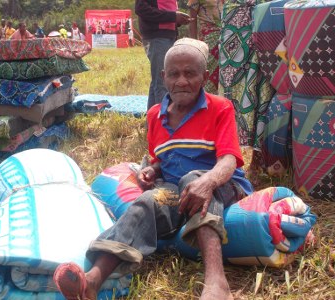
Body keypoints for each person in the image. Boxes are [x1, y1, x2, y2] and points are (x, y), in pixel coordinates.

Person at [53, 38, 253, 300]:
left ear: (205, 76)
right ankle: (93, 280)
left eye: (190, 73)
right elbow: (161, 158)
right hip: (177, 191)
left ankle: (217, 282)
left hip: (221, 185)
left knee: (195, 178)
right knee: (147, 201)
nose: (181, 81)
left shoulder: (220, 107)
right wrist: (153, 170)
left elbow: (228, 160)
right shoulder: (155, 116)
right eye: (174, 74)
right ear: (164, 77)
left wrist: (209, 181)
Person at [135, 0, 192, 111]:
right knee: (163, 80)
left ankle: (153, 123)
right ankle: (164, 122)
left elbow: (166, 9)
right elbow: (141, 9)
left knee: (158, 79)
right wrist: (173, 17)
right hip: (157, 36)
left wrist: (178, 20)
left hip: (167, 36)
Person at [188, 0, 224, 94]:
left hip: (230, 38)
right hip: (209, 40)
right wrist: (193, 43)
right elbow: (192, 19)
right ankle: (206, 103)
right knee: (209, 75)